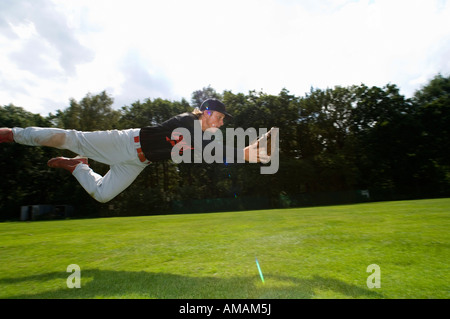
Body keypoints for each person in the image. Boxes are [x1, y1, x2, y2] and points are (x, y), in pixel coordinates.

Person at [0, 99, 271, 203]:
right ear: (208, 113)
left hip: (136, 162)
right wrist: (244, 152)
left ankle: (78, 166)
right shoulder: (189, 120)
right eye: (221, 118)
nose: (222, 123)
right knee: (70, 138)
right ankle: (13, 134)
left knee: (102, 194)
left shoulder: (200, 134)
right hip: (126, 143)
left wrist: (243, 152)